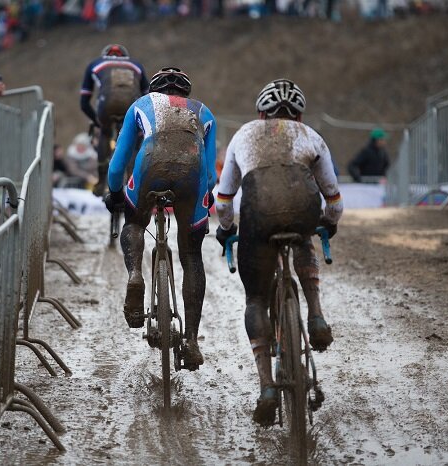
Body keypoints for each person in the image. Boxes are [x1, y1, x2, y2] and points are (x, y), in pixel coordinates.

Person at [214, 79, 342, 427]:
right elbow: (333, 197)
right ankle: (315, 315)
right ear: (299, 114)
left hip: (259, 212)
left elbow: (223, 200)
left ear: (260, 113)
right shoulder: (310, 135)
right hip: (301, 209)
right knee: (303, 239)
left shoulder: (244, 134)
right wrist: (328, 223)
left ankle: (267, 387)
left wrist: (226, 229)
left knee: (255, 299)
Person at [104, 67, 216, 370]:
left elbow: (118, 164)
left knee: (135, 223)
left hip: (150, 166)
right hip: (192, 176)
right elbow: (211, 173)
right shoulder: (204, 112)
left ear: (153, 90)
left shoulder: (140, 105)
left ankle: (135, 276)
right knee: (192, 255)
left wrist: (115, 194)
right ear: (185, 94)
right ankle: (191, 341)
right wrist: (209, 195)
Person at [80, 43, 149, 196]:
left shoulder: (95, 63)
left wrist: (98, 121)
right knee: (132, 140)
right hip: (132, 102)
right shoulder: (136, 64)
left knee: (105, 133)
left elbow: (84, 103)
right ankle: (133, 181)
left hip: (107, 104)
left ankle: (101, 180)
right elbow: (148, 97)